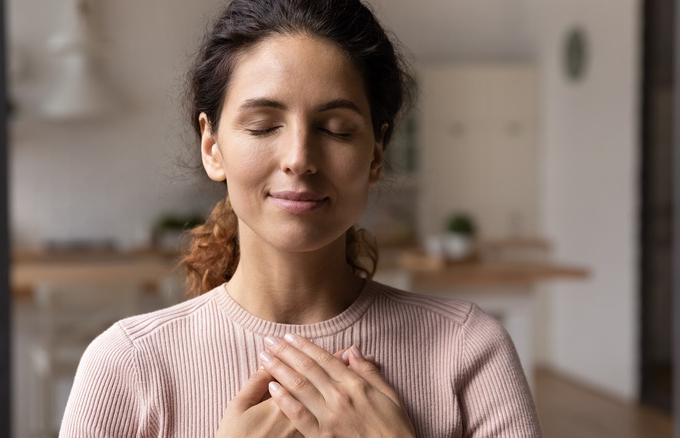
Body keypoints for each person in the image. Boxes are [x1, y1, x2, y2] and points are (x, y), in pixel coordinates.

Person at [60, 0, 543, 436]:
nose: (299, 158)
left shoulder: (467, 350)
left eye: (335, 129)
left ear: (376, 152)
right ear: (212, 146)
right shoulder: (128, 365)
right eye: (263, 126)